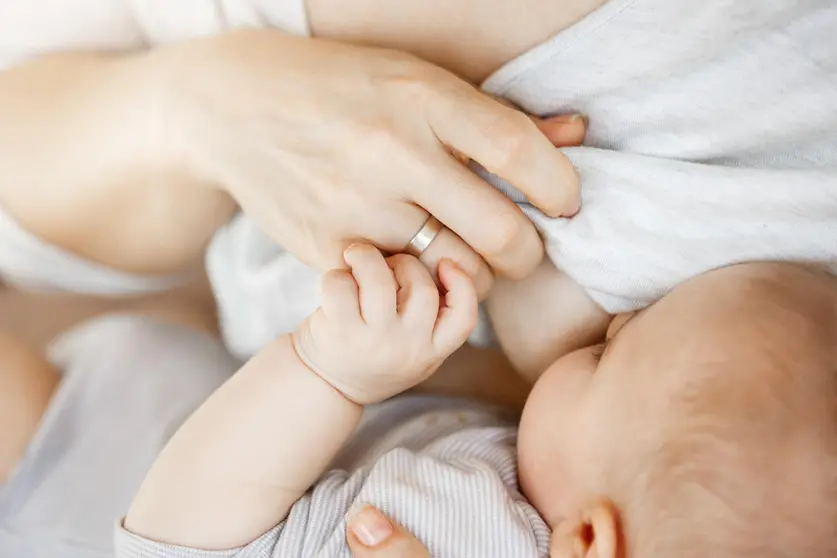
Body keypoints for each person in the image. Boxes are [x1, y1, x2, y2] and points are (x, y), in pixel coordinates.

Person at [116, 255, 837, 558]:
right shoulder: (549, 491)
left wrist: (326, 372)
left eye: (603, 357)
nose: (610, 323)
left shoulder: (455, 528)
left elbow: (175, 538)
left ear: (588, 539)